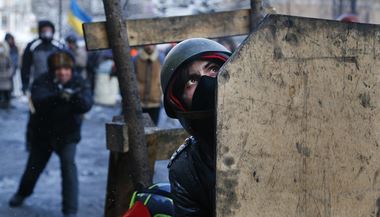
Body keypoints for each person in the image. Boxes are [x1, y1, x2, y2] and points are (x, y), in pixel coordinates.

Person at [9, 51, 93, 217]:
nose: (63, 72)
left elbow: (86, 104)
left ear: (71, 69)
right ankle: (21, 194)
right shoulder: (42, 81)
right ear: (52, 70)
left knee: (69, 169)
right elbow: (39, 101)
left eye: (66, 69)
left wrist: (73, 97)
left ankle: (70, 211)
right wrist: (59, 96)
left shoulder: (79, 82)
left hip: (67, 136)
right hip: (43, 135)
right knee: (32, 170)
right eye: (59, 69)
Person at [160, 38, 231, 216]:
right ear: (179, 100)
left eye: (214, 69)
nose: (207, 82)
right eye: (192, 80)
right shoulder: (186, 169)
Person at [22, 20, 63, 151]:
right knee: (34, 115)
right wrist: (25, 84)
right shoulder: (33, 46)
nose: (47, 33)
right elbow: (25, 67)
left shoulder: (58, 47)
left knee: (55, 114)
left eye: (49, 30)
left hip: (54, 86)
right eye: (44, 30)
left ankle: (53, 141)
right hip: (37, 87)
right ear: (40, 31)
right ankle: (31, 141)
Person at [133, 45, 165, 125]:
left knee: (153, 127)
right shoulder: (136, 59)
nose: (149, 46)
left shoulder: (161, 58)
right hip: (139, 102)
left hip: (155, 101)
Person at [0, 41, 12, 108]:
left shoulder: (7, 57)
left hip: (6, 81)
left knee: (6, 97)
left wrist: (8, 74)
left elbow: (10, 67)